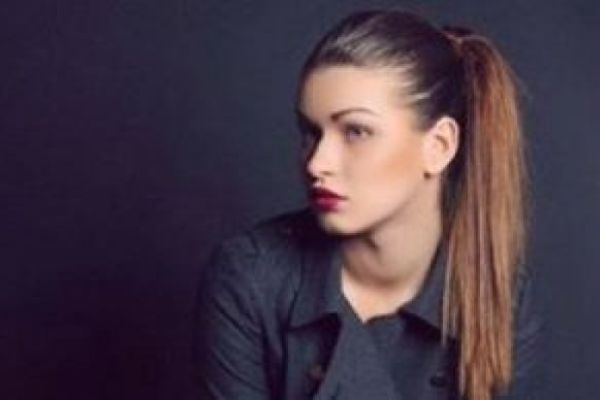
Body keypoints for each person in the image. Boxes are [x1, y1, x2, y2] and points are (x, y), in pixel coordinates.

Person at [193, 8, 543, 400]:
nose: (317, 163)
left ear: (439, 146)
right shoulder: (250, 278)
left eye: (356, 131)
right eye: (311, 132)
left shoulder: (499, 298)